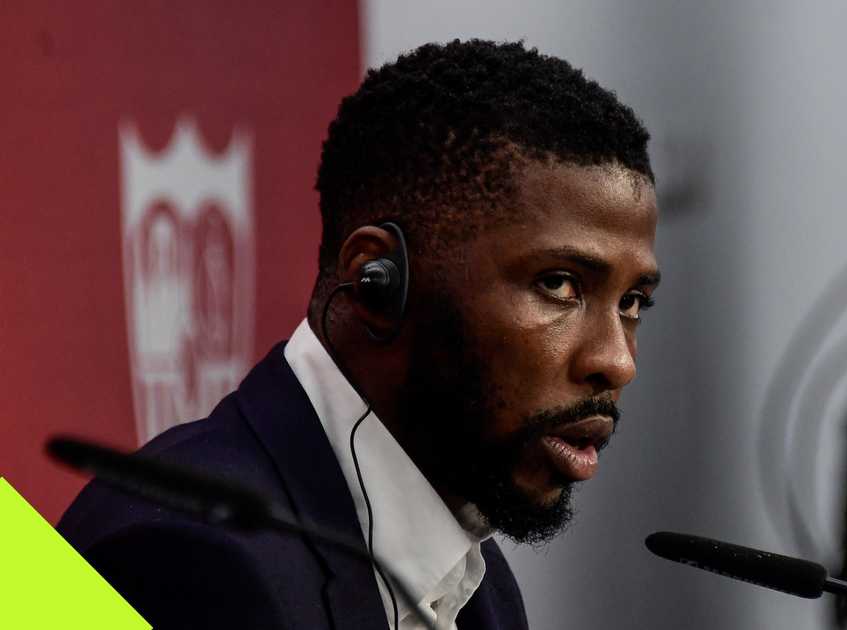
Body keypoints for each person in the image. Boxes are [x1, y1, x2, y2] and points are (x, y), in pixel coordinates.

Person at [57, 39, 660, 630]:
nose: (617, 361)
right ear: (377, 282)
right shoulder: (190, 557)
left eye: (633, 301)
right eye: (559, 285)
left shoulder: (479, 586)